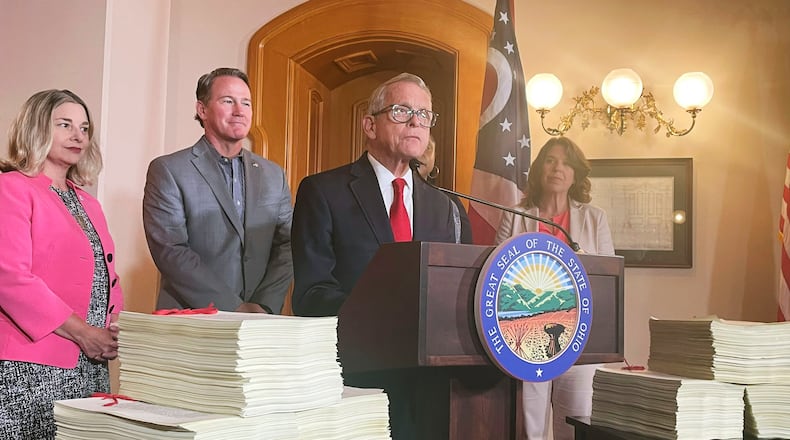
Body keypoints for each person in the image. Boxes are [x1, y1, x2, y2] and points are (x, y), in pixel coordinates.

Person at [291, 72, 472, 439]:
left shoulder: (447, 208)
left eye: (424, 114)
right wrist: (386, 320)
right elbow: (311, 294)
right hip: (357, 380)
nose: (415, 121)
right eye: (402, 110)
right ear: (369, 125)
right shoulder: (324, 192)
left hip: (432, 389)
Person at [0, 89, 123, 439]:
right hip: (29, 365)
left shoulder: (87, 201)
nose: (78, 136)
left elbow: (108, 276)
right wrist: (84, 332)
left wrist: (114, 327)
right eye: (65, 125)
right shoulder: (11, 188)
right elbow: (9, 277)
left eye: (84, 128)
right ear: (36, 129)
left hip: (91, 363)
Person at [143, 67, 292, 314]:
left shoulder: (274, 174)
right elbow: (171, 250)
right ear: (202, 110)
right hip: (193, 321)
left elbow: (287, 245)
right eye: (228, 101)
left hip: (260, 322)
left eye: (246, 103)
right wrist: (234, 307)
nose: (239, 111)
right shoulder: (168, 170)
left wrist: (263, 306)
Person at [495, 136, 614, 440]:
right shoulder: (515, 215)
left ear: (575, 174)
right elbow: (495, 275)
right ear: (539, 168)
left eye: (566, 163)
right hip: (525, 336)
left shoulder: (594, 219)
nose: (557, 168)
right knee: (528, 426)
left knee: (574, 425)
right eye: (550, 160)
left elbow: (607, 279)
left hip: (580, 336)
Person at [414, 135, 473, 244]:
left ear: (435, 157)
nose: (421, 153)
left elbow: (465, 249)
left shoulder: (448, 201)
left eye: (428, 148)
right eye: (416, 145)